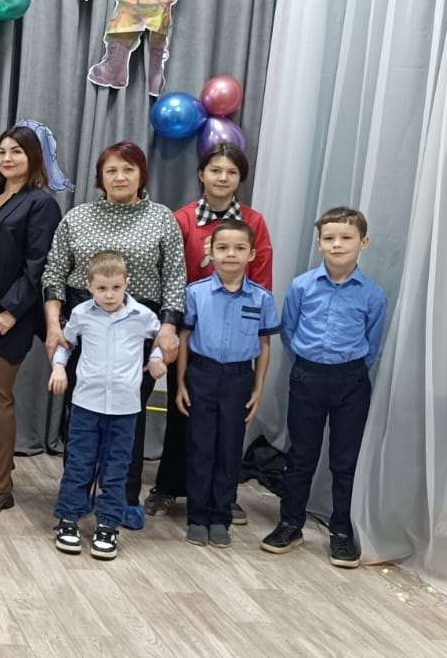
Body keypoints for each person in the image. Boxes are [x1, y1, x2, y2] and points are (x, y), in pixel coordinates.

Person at [41, 141, 184, 528]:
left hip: (138, 326)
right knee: (81, 416)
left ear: (142, 175)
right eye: (111, 171)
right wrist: (54, 325)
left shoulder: (161, 218)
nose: (120, 177)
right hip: (83, 323)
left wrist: (168, 330)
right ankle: (76, 495)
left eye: (128, 169)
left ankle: (124, 498)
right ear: (100, 178)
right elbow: (54, 272)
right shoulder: (78, 217)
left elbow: (174, 278)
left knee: (128, 415)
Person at [154, 142, 275, 523]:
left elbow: (261, 278)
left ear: (241, 179)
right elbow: (171, 272)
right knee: (182, 411)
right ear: (201, 174)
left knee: (228, 425)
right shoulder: (183, 218)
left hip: (234, 336)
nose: (223, 178)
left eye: (231, 172)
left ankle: (221, 496)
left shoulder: (254, 222)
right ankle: (168, 485)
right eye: (215, 170)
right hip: (192, 330)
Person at [263, 207, 386, 569]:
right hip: (307, 377)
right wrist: (308, 364)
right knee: (301, 455)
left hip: (351, 381)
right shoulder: (302, 286)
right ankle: (290, 523)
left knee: (344, 460)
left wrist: (348, 368)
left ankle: (341, 531)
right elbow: (289, 331)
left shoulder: (373, 294)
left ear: (363, 242)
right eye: (329, 238)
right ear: (319, 244)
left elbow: (372, 344)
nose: (337, 245)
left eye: (346, 238)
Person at [0, 126, 62, 517]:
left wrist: (11, 311)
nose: (7, 158)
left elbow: (38, 266)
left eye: (17, 151)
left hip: (8, 316)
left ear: (33, 157)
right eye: (2, 151)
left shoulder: (41, 204)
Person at [48, 250, 168, 561]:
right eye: (102, 288)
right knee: (79, 464)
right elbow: (65, 345)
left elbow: (161, 340)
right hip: (86, 405)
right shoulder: (81, 314)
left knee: (117, 469)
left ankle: (108, 525)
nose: (110, 295)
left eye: (116, 287)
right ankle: (68, 520)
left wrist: (157, 359)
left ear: (127, 282)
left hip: (125, 409)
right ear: (89, 286)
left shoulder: (143, 316)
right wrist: (59, 367)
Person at [175, 219, 278, 549]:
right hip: (202, 375)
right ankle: (197, 517)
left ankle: (220, 517)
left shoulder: (261, 298)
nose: (230, 254)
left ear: (252, 254)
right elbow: (184, 337)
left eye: (239, 248)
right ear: (211, 252)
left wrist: (258, 388)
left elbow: (264, 345)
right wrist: (181, 383)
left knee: (229, 449)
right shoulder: (195, 293)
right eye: (222, 247)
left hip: (239, 378)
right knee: (200, 447)